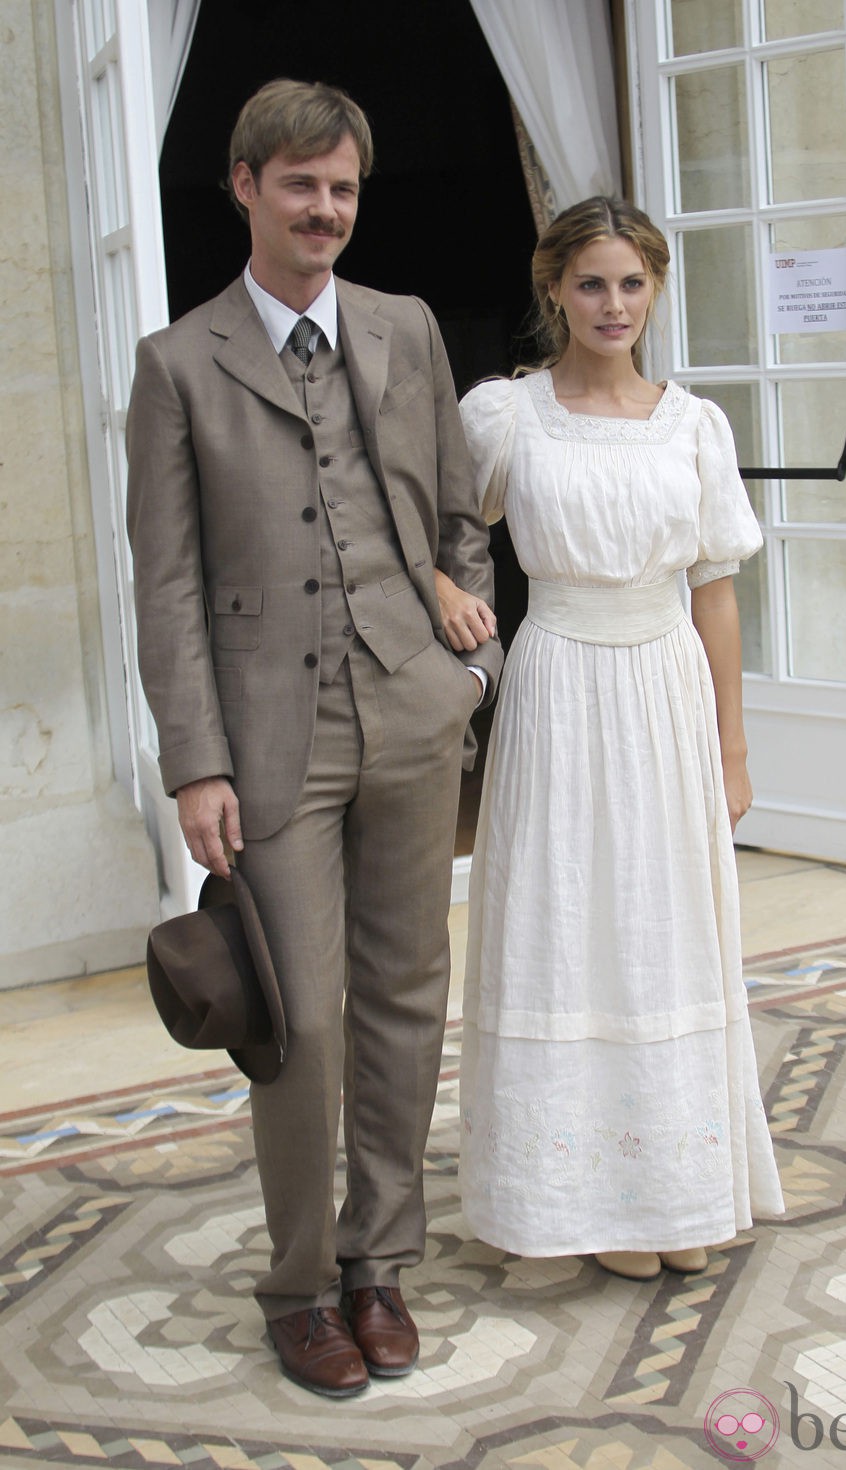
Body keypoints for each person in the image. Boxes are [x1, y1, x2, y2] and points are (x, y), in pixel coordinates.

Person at [126, 78, 502, 1397]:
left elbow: (464, 512)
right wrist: (195, 759)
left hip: (412, 705)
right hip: (271, 736)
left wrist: (472, 651)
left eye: (342, 188)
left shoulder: (405, 328)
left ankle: (377, 1259)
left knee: (407, 996)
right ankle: (297, 1283)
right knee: (295, 1021)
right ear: (245, 186)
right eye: (301, 186)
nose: (325, 210)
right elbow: (165, 584)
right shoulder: (178, 365)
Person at [437, 196, 783, 1280]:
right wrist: (442, 592)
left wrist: (730, 748)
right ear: (553, 288)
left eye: (632, 283)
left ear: (655, 291)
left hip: (663, 690)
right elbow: (419, 522)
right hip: (554, 690)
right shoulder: (505, 417)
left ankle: (673, 1193)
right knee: (565, 923)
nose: (612, 304)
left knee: (661, 928)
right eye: (591, 282)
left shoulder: (694, 424)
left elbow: (714, 592)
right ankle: (583, 1201)